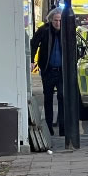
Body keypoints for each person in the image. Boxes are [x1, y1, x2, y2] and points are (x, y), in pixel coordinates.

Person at [30, 8, 64, 136]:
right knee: (48, 99)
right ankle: (49, 127)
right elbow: (33, 44)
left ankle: (63, 128)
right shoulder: (44, 30)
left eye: (60, 20)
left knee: (62, 97)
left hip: (61, 72)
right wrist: (32, 60)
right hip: (48, 70)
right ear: (51, 20)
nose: (58, 23)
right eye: (55, 20)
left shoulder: (66, 31)